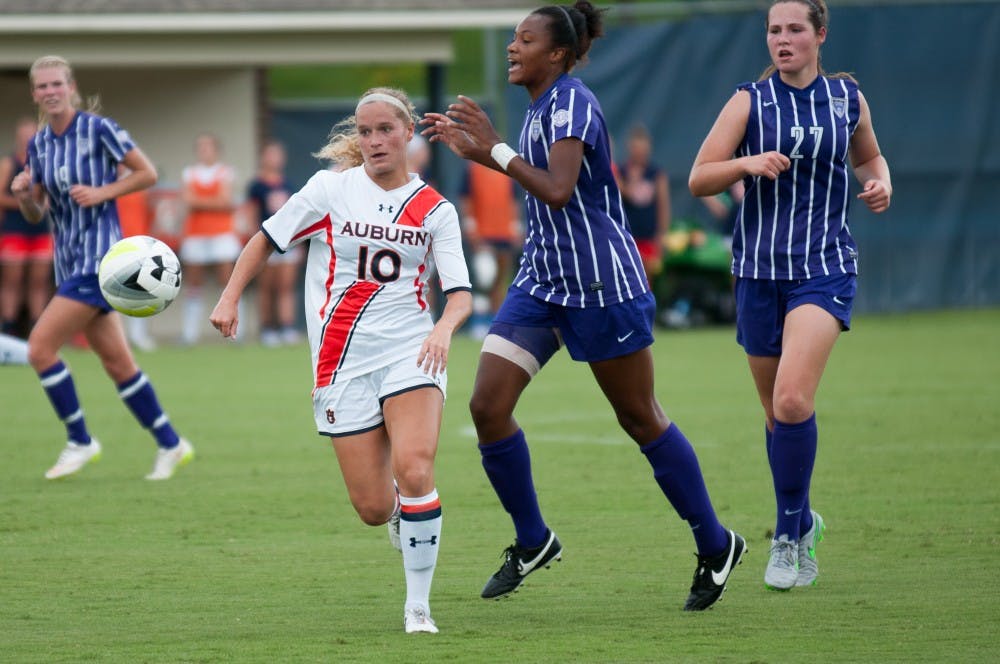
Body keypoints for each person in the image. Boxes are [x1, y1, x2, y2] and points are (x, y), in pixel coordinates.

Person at [422, 1, 745, 611]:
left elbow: (559, 188)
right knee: (488, 406)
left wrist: (492, 150)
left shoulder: (571, 101)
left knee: (640, 418)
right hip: (543, 280)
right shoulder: (541, 106)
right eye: (513, 39)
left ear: (559, 55)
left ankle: (715, 542)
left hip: (602, 285)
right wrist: (481, 152)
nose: (513, 48)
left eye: (525, 40)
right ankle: (533, 539)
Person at [210, 87, 472, 634]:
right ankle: (404, 512)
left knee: (417, 467)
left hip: (411, 350)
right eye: (365, 130)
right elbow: (265, 238)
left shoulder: (435, 209)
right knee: (374, 509)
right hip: (340, 363)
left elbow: (461, 292)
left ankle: (418, 606)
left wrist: (445, 327)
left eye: (385, 130)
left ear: (408, 135)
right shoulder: (329, 190)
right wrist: (230, 295)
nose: (374, 140)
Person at [688, 0, 892, 591]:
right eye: (774, 30)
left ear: (819, 35)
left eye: (794, 29)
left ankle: (787, 539)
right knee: (775, 416)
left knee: (793, 401)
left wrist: (878, 183)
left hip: (824, 268)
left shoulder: (846, 99)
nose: (782, 39)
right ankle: (804, 517)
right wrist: (746, 162)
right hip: (756, 272)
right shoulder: (749, 101)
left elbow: (869, 155)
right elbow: (701, 175)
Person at [10, 55, 194, 480]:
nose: (51, 92)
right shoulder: (39, 144)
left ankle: (80, 440)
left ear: (71, 87)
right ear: (35, 94)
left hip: (102, 261)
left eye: (57, 84)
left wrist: (102, 191)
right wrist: (23, 195)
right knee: (118, 364)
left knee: (39, 348)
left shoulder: (99, 129)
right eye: (42, 87)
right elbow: (38, 213)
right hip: (68, 260)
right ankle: (171, 443)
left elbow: (146, 173)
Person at [178, 132, 240, 345]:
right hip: (195, 235)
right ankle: (189, 334)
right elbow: (188, 201)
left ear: (216, 150)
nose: (204, 151)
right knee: (194, 284)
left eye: (208, 146)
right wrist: (213, 201)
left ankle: (233, 333)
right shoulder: (189, 173)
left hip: (222, 234)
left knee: (228, 281)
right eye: (201, 147)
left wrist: (200, 201)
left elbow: (225, 201)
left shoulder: (225, 172)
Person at [244, 139, 301, 346]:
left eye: (277, 154)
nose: (274, 159)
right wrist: (255, 242)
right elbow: (250, 214)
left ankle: (287, 327)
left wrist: (299, 243)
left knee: (286, 287)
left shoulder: (288, 185)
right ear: (263, 158)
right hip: (267, 241)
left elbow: (296, 216)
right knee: (266, 287)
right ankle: (268, 328)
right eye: (270, 154)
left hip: (287, 242)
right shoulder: (256, 186)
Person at [0, 116, 52, 337]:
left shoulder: (46, 162)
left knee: (39, 282)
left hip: (40, 230)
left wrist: (44, 203)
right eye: (24, 136)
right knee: (13, 281)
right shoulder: (8, 163)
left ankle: (37, 330)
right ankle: (9, 330)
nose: (28, 140)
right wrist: (24, 202)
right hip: (14, 229)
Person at [460, 160, 521, 317]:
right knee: (484, 277)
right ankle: (479, 321)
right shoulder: (473, 169)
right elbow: (465, 198)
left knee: (500, 281)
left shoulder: (506, 168)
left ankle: (495, 320)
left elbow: (514, 200)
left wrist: (515, 226)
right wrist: (470, 226)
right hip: (482, 233)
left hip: (504, 232)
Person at [618, 123, 670, 289]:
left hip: (648, 238)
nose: (640, 152)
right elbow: (623, 195)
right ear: (630, 147)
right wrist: (631, 179)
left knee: (646, 282)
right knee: (626, 279)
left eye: (643, 148)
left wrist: (661, 234)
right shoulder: (620, 172)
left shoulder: (656, 174)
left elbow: (663, 206)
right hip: (627, 237)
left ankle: (647, 313)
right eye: (636, 148)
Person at [115, 164, 157, 351]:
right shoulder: (106, 185)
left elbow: (149, 214)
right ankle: (117, 337)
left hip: (140, 244)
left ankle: (138, 335)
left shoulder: (141, 183)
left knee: (140, 291)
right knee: (114, 290)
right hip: (115, 245)